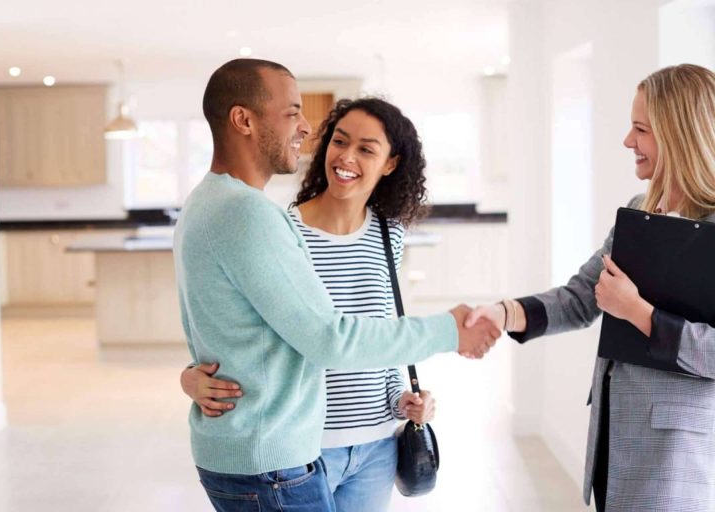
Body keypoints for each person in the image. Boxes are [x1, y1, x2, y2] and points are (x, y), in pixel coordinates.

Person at [175, 58, 499, 512]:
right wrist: (450, 329)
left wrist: (402, 397)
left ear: (390, 164)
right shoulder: (258, 217)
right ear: (243, 120)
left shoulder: (215, 202)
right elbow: (329, 337)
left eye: (367, 149)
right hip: (284, 453)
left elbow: (239, 323)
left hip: (343, 444)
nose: (306, 128)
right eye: (292, 112)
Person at [466, 63, 715, 512]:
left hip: (677, 457)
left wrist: (638, 312)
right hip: (615, 437)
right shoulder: (641, 208)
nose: (627, 141)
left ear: (679, 134)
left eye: (641, 129)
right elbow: (582, 296)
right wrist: (504, 312)